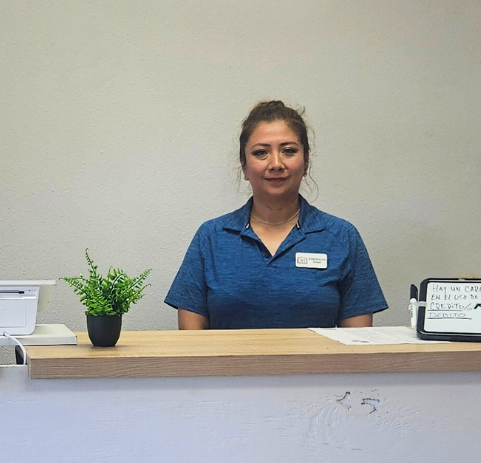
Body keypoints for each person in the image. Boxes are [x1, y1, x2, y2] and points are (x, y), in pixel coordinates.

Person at [165, 101, 387, 330]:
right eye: (261, 153)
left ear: (306, 161)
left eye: (288, 151)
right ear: (244, 166)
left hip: (316, 367)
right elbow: (191, 347)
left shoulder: (342, 236)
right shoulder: (211, 237)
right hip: (229, 367)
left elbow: (359, 346)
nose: (276, 164)